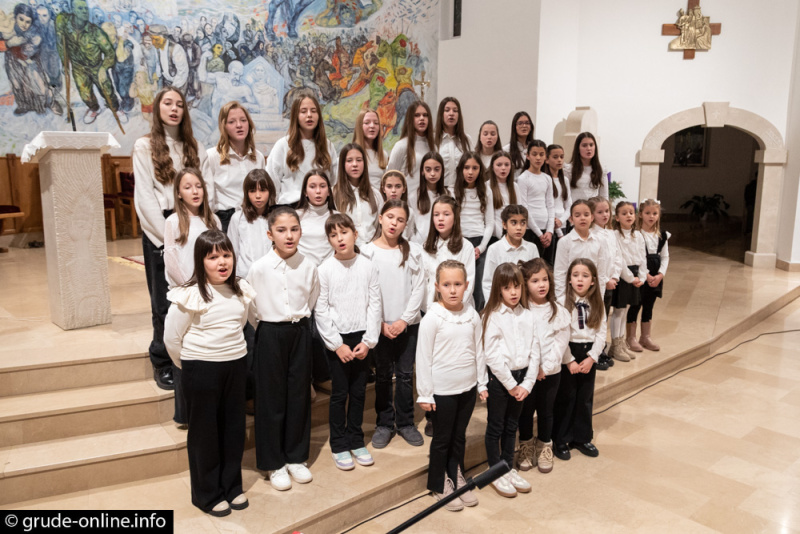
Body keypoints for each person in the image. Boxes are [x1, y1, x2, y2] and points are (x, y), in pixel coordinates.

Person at [163, 230, 255, 517]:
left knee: (233, 429)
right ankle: (207, 494)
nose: (222, 262)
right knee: (205, 433)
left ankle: (231, 486)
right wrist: (190, 367)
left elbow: (240, 324)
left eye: (226, 255)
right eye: (213, 257)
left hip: (235, 364)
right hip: (200, 367)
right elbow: (172, 339)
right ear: (201, 261)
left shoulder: (240, 289)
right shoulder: (190, 294)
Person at [133, 87, 206, 391]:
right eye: (167, 103)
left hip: (192, 225)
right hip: (160, 229)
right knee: (164, 300)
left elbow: (202, 188)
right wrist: (166, 239)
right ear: (157, 108)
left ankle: (189, 354)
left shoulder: (193, 146)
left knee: (193, 295)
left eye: (179, 104)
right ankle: (162, 360)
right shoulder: (144, 146)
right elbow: (144, 196)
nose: (174, 109)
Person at [246, 207, 319, 491]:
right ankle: (273, 462)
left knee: (298, 395)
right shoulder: (259, 268)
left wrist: (295, 323)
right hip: (270, 333)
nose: (289, 236)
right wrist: (270, 327)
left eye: (294, 229)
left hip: (299, 332)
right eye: (281, 230)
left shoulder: (309, 266)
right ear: (269, 234)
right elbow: (252, 309)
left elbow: (311, 299)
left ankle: (296, 457)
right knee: (270, 398)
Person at [416, 260, 487, 511]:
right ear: (437, 287)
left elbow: (479, 350)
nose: (453, 290)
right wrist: (425, 393)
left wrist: (482, 383)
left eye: (458, 284)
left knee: (459, 436)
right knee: (442, 438)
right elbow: (423, 357)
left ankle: (456, 474)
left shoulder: (472, 315)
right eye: (447, 285)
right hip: (442, 391)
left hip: (467, 388)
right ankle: (439, 484)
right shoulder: (432, 318)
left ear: (467, 285)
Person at [315, 213, 381, 470]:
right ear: (329, 240)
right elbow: (321, 310)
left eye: (344, 232)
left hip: (362, 337)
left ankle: (356, 439)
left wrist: (369, 341)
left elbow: (375, 304)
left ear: (355, 233)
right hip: (338, 339)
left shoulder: (368, 266)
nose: (339, 239)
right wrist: (336, 345)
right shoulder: (324, 269)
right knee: (339, 393)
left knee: (359, 391)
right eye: (333, 235)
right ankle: (339, 443)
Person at [362, 201, 426, 449]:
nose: (394, 223)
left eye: (400, 220)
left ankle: (406, 423)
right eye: (390, 217)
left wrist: (404, 320)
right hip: (379, 325)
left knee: (406, 375)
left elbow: (418, 288)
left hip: (407, 324)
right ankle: (384, 424)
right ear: (380, 218)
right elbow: (365, 291)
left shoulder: (414, 251)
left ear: (405, 224)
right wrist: (378, 323)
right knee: (382, 376)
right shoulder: (367, 252)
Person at [481, 262, 537, 498]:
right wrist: (512, 386)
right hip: (501, 380)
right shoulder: (492, 316)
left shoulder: (528, 315)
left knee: (512, 425)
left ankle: (507, 467)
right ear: (498, 289)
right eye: (507, 288)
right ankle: (495, 471)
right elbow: (492, 356)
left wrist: (527, 384)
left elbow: (535, 350)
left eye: (517, 286)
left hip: (522, 379)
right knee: (496, 426)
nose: (513, 292)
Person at [516, 259, 570, 474]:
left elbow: (560, 345)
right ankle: (526, 446)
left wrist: (545, 368)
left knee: (546, 411)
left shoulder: (558, 311)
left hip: (550, 372)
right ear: (525, 284)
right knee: (526, 411)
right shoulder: (521, 310)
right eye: (535, 280)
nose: (541, 285)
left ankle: (545, 446)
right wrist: (532, 370)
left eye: (545, 279)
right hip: (526, 373)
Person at [552, 258, 606, 461]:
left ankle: (582, 438)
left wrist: (593, 357)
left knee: (585, 398)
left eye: (585, 276)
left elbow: (601, 332)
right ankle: (561, 439)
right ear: (569, 279)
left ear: (593, 280)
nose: (580, 280)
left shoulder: (597, 302)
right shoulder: (561, 303)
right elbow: (559, 335)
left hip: (589, 353)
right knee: (566, 397)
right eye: (575, 275)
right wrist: (569, 360)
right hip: (569, 352)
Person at [204, 102, 268, 232]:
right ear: (224, 126)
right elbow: (207, 196)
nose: (239, 125)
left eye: (243, 120)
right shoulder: (212, 156)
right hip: (224, 218)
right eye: (231, 122)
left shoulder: (258, 157)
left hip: (253, 217)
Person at [55, 0, 119, 124]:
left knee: (107, 89)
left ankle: (115, 108)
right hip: (78, 67)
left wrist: (103, 68)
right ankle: (94, 108)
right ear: (72, 10)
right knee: (85, 93)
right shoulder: (62, 21)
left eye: (85, 8)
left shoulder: (96, 32)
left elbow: (110, 53)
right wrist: (64, 63)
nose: (84, 11)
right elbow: (61, 44)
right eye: (80, 8)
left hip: (96, 66)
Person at [267, 94, 338, 206]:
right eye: (303, 111)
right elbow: (272, 180)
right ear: (296, 115)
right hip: (290, 207)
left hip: (320, 208)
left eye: (313, 111)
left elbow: (334, 181)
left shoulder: (327, 146)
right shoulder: (283, 145)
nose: (309, 115)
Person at [586, 196, 626, 370]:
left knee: (605, 316)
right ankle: (593, 352)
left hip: (610, 282)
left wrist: (615, 277)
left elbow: (617, 256)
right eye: (600, 212)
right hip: (597, 285)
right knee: (596, 317)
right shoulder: (592, 235)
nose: (605, 215)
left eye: (607, 211)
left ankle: (601, 349)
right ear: (592, 214)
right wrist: (605, 280)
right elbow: (594, 263)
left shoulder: (611, 233)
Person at [627, 199, 670, 352]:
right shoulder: (636, 234)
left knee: (649, 305)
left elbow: (665, 257)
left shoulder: (662, 235)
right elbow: (636, 256)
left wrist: (660, 275)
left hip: (655, 276)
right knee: (636, 304)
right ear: (640, 214)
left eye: (654, 213)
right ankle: (630, 338)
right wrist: (645, 275)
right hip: (640, 274)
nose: (651, 216)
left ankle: (645, 337)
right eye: (647, 213)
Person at [423, 195, 476, 313]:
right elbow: (424, 283)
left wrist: (455, 308)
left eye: (446, 214)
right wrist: (431, 309)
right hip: (432, 308)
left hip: (460, 308)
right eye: (436, 215)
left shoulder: (466, 247)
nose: (440, 219)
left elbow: (469, 282)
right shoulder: (426, 246)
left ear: (455, 217)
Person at [454, 152, 493, 311]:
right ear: (461, 169)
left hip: (479, 243)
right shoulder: (452, 191)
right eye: (467, 167)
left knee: (478, 287)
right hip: (459, 242)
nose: (470, 172)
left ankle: (478, 316)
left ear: (480, 170)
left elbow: (489, 223)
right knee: (460, 282)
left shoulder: (486, 191)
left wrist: (481, 247)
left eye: (475, 168)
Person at [610, 201, 647, 362]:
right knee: (618, 311)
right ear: (617, 217)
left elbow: (643, 258)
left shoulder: (638, 235)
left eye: (631, 213)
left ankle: (622, 341)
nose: (628, 216)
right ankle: (615, 345)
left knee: (625, 310)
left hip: (635, 275)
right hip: (623, 275)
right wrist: (630, 278)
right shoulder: (614, 235)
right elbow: (619, 259)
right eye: (624, 213)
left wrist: (642, 277)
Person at [553, 200, 610, 302]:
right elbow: (559, 273)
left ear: (592, 217)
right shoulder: (564, 242)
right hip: (570, 295)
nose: (582, 218)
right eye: (577, 215)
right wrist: (561, 299)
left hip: (593, 294)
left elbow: (601, 273)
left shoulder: (600, 241)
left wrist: (600, 298)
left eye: (586, 215)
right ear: (571, 219)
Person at [227, 169, 276, 279]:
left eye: (262, 190)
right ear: (246, 193)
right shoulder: (237, 218)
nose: (258, 195)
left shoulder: (276, 217)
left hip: (271, 276)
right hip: (244, 277)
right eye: (252, 191)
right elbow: (232, 251)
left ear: (270, 191)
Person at [481, 205, 538, 298]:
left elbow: (535, 278)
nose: (519, 227)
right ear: (504, 225)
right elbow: (488, 283)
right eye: (514, 223)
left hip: (526, 300)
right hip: (501, 301)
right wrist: (492, 305)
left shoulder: (532, 248)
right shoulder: (494, 249)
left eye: (523, 223)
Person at [332, 143, 383, 247]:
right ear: (342, 164)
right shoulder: (333, 194)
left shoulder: (375, 194)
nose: (355, 164)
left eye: (359, 160)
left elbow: (379, 226)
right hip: (347, 250)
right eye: (349, 160)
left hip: (372, 249)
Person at [518, 140, 554, 261]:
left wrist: (549, 231)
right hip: (530, 229)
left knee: (546, 265)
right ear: (528, 156)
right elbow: (524, 207)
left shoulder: (547, 178)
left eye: (541, 154)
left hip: (546, 229)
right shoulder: (523, 178)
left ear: (545, 157)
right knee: (529, 264)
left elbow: (550, 205)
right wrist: (539, 234)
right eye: (534, 154)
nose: (538, 158)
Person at [387, 101, 436, 187]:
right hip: (407, 194)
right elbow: (390, 177)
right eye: (417, 115)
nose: (422, 118)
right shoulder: (401, 146)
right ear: (410, 119)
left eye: (425, 115)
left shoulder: (433, 147)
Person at [296, 169, 338, 267]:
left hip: (330, 270)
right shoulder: (295, 217)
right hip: (301, 269)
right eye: (312, 187)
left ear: (329, 191)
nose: (318, 191)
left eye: (322, 186)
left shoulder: (338, 217)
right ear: (305, 192)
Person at [408, 152, 448, 245]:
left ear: (442, 171)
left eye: (436, 169)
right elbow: (411, 227)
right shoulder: (413, 196)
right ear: (422, 171)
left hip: (443, 245)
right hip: (420, 245)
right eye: (428, 170)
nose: (432, 173)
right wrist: (416, 244)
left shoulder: (449, 195)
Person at [435, 97, 473, 188]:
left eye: (455, 111)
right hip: (439, 189)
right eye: (447, 110)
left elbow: (472, 164)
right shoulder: (433, 139)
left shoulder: (466, 139)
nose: (451, 114)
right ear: (441, 114)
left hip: (461, 189)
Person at [486, 151, 519, 243]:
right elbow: (490, 219)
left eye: (506, 165)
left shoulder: (515, 186)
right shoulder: (487, 186)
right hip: (494, 236)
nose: (503, 168)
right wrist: (503, 236)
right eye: (499, 165)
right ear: (492, 167)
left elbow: (519, 213)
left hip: (512, 235)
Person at [564, 132, 608, 201]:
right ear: (578, 149)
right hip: (575, 206)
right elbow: (565, 196)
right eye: (584, 145)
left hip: (593, 207)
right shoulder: (568, 169)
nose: (589, 148)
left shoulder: (601, 170)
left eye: (591, 145)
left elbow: (604, 197)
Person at [352, 109, 388, 190]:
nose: (372, 126)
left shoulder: (383, 155)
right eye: (367, 123)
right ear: (359, 126)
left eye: (376, 123)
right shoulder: (350, 154)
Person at [545, 144, 571, 240]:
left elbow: (569, 205)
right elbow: (548, 206)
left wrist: (561, 220)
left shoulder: (565, 180)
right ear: (547, 160)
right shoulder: (545, 180)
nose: (559, 160)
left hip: (562, 225)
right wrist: (558, 231)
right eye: (555, 157)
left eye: (561, 157)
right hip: (549, 226)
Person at [503, 112, 534, 176]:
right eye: (520, 123)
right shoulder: (506, 150)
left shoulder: (534, 148)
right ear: (514, 127)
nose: (524, 126)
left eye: (527, 123)